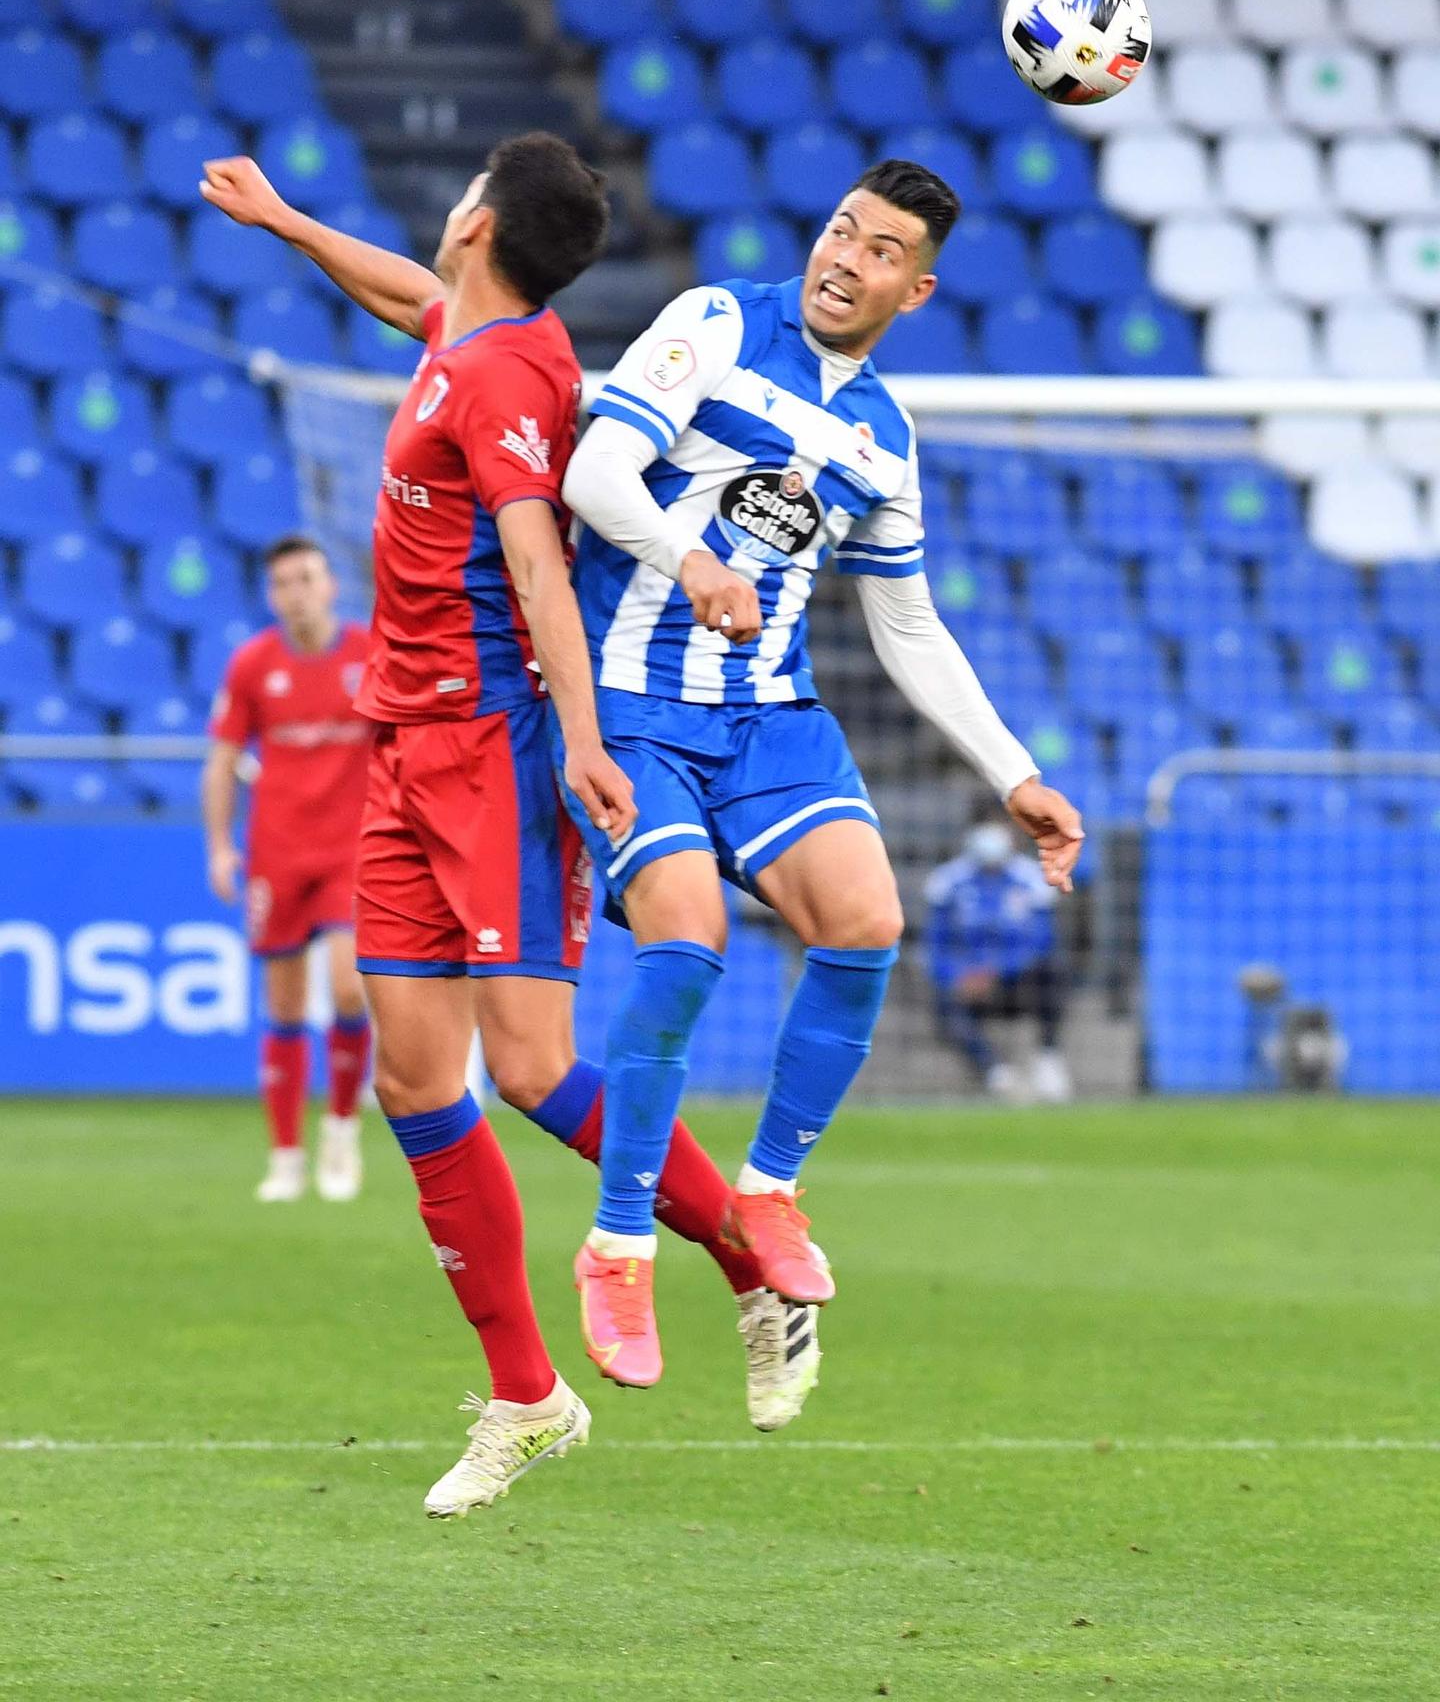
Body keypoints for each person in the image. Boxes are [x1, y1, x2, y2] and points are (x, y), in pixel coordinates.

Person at [198, 133, 820, 1521]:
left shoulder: (501, 379)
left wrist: (586, 747)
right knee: (416, 1083)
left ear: (474, 221)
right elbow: (396, 298)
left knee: (531, 1069)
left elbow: (538, 562)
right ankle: (531, 1399)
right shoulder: (476, 328)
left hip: (491, 750)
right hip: (400, 751)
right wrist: (289, 223)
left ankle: (752, 1259)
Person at [560, 158, 1086, 1388]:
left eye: (881, 249)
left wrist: (1015, 773)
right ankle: (620, 1242)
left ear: (917, 287)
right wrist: (693, 558)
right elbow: (591, 474)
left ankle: (771, 1188)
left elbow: (906, 623)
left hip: (768, 717)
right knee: (686, 939)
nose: (846, 257)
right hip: (632, 703)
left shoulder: (886, 440)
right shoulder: (716, 324)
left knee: (867, 919)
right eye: (841, 230)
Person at [202, 536, 372, 1204]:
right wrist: (219, 845)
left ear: (331, 585)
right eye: (282, 584)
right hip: (277, 853)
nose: (295, 593)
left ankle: (340, 1128)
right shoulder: (253, 665)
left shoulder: (368, 655)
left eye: (306, 578)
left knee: (351, 988)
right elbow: (221, 760)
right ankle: (285, 1155)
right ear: (271, 596)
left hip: (350, 853)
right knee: (284, 1006)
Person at [924, 821, 1071, 1104]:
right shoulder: (947, 882)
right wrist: (957, 975)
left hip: (1016, 982)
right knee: (943, 1002)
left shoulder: (1031, 879)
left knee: (1053, 970)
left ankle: (1048, 1057)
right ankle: (996, 1073)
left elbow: (1042, 940)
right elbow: (935, 945)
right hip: (968, 984)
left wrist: (998, 971)